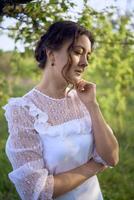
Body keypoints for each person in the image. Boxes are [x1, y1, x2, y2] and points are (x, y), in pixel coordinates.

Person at [3, 21, 119, 200]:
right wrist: (93, 167)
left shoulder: (83, 99)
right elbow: (36, 191)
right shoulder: (23, 110)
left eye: (88, 55)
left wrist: (92, 105)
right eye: (78, 52)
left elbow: (112, 158)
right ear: (51, 54)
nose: (85, 62)